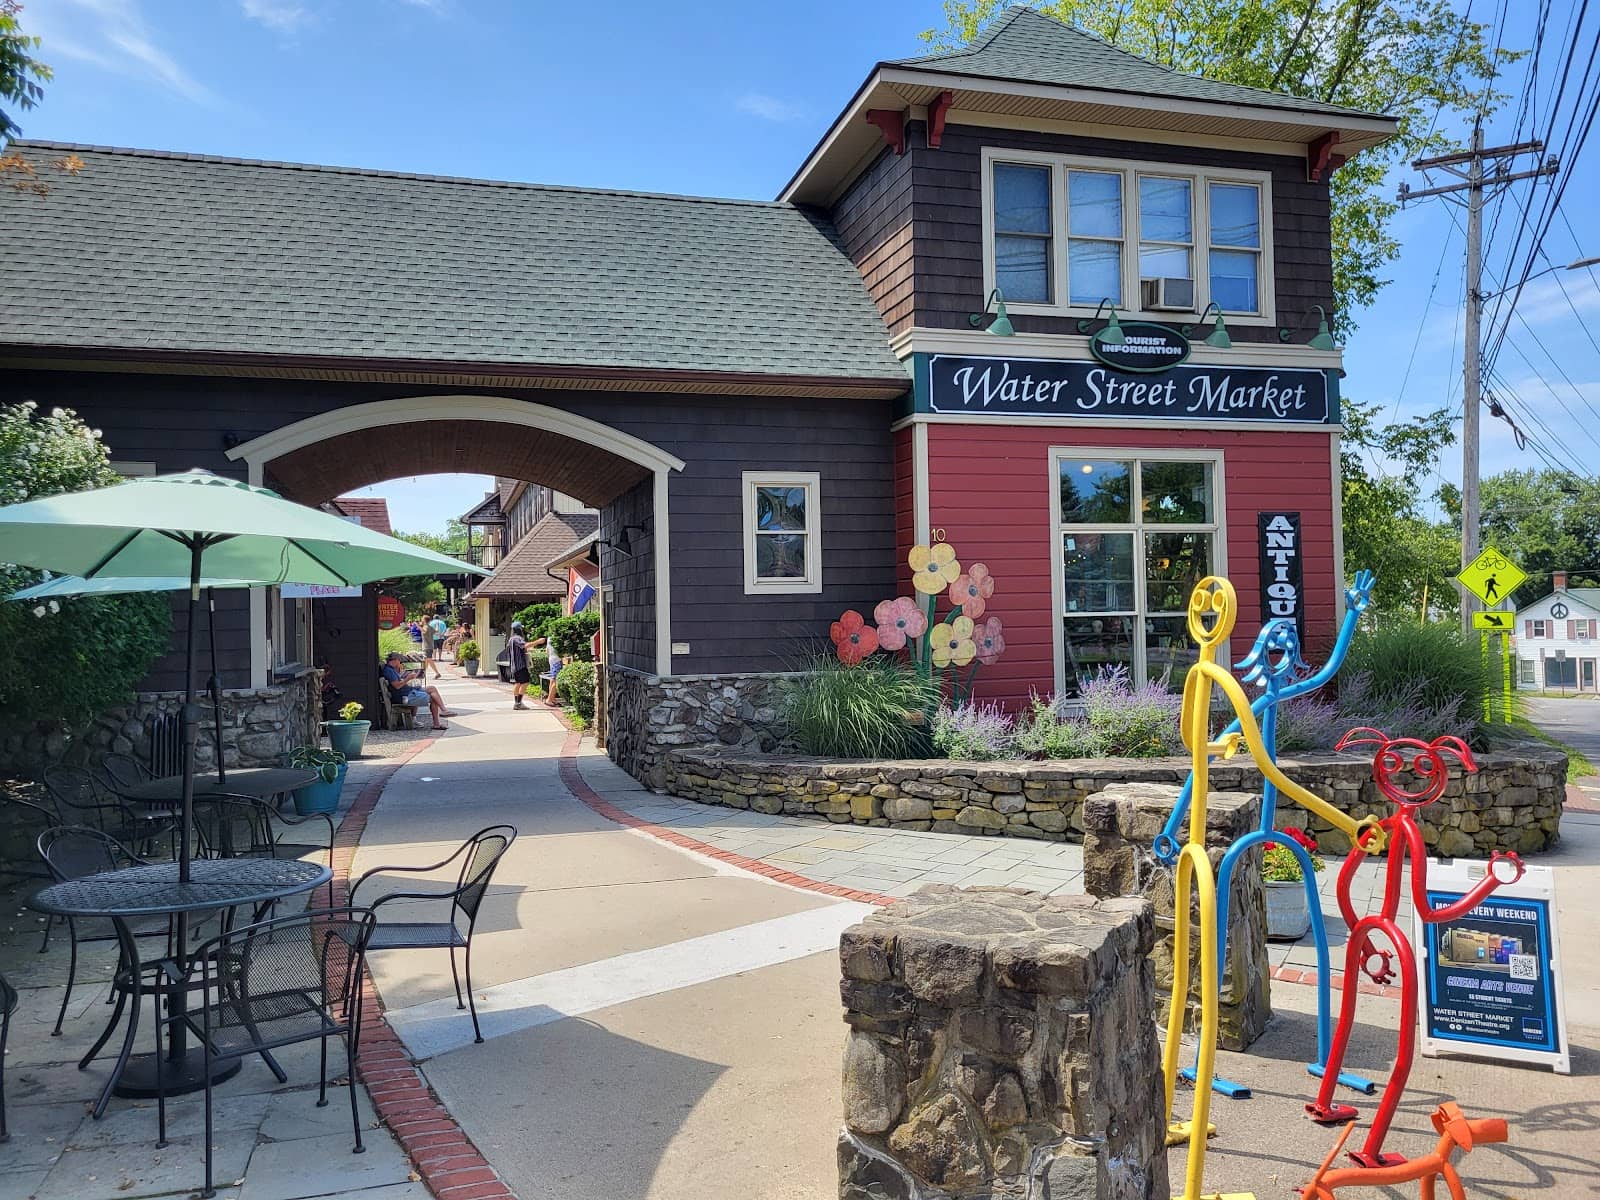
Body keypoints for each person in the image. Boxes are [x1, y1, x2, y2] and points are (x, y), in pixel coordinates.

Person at [381, 651, 453, 730]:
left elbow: (398, 683)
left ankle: (443, 710)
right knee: (433, 698)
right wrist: (408, 678)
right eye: (399, 660)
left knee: (432, 688)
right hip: (406, 696)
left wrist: (405, 677)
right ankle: (437, 723)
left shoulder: (391, 669)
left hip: (408, 692)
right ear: (394, 660)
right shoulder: (389, 671)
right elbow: (397, 686)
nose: (400, 662)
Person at [506, 621, 531, 710]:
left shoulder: (511, 639)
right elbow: (524, 646)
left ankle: (517, 702)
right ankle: (519, 702)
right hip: (520, 665)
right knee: (525, 682)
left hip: (514, 666)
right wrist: (538, 641)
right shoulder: (517, 638)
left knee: (518, 683)